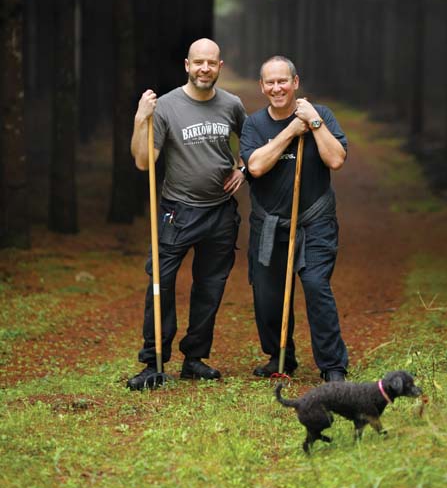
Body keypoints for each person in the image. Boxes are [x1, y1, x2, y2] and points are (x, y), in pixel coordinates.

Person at [127, 38, 247, 389]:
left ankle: (195, 359)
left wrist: (244, 167)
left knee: (210, 288)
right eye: (198, 62)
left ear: (220, 66)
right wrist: (140, 119)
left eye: (211, 63)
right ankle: (154, 361)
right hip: (176, 213)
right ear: (187, 65)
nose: (204, 68)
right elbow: (143, 161)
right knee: (160, 283)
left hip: (221, 213)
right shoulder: (166, 106)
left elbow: (253, 139)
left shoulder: (233, 104)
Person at [239, 55, 349, 383]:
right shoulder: (255, 125)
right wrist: (291, 130)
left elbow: (336, 159)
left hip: (315, 221)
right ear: (262, 87)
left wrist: (313, 122)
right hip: (270, 224)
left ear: (295, 82)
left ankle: (332, 366)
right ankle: (281, 356)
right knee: (268, 293)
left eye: (283, 81)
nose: (277, 88)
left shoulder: (322, 115)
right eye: (270, 82)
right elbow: (256, 167)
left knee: (316, 286)